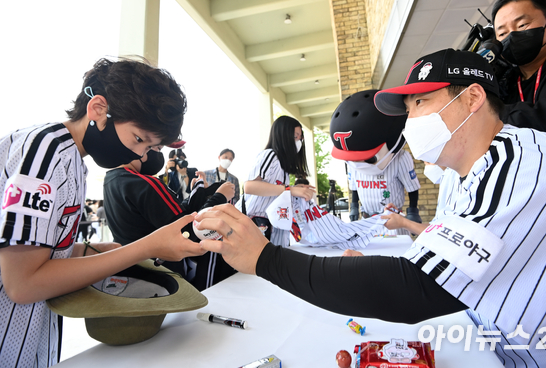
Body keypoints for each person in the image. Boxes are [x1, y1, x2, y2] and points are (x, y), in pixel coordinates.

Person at [197, 49, 546, 368]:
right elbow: (447, 255)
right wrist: (351, 266)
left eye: (420, 102)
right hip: (491, 342)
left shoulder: (530, 162)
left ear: (473, 98)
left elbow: (417, 287)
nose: (409, 119)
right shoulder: (455, 174)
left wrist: (267, 259)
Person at [0, 57, 203, 367]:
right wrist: (146, 247)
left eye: (148, 148)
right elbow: (22, 283)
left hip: (32, 338)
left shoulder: (71, 162)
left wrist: (95, 250)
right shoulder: (45, 153)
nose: (139, 154)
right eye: (139, 139)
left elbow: (40, 253)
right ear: (98, 110)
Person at [103, 150, 236, 291]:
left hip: (134, 272)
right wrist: (220, 196)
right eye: (157, 147)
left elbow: (171, 213)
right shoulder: (145, 184)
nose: (155, 153)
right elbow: (187, 232)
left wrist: (198, 193)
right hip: (162, 277)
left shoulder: (112, 180)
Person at [330, 89, 422, 235]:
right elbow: (354, 187)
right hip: (366, 220)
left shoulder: (400, 158)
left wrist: (413, 212)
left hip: (392, 221)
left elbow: (412, 188)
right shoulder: (351, 165)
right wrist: (354, 207)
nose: (358, 162)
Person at [493, 0, 546, 146]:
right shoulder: (502, 84)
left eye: (522, 25)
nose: (512, 37)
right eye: (502, 34)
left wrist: (501, 115)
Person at [235, 116, 316, 247]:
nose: (299, 142)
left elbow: (274, 189)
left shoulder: (283, 167)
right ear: (283, 136)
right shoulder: (271, 155)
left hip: (268, 229)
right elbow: (249, 186)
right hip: (252, 226)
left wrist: (292, 189)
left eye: (300, 138)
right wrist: (289, 190)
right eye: (295, 137)